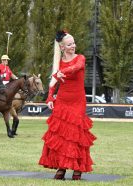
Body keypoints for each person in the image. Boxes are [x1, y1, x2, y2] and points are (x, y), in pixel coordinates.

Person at [38, 30, 96, 180]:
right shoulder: (58, 62)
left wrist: (63, 71)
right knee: (61, 135)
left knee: (76, 135)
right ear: (62, 47)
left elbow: (77, 67)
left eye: (73, 43)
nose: (73, 46)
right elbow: (53, 82)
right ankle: (61, 167)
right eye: (70, 44)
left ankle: (78, 169)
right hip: (62, 100)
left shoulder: (80, 58)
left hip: (77, 101)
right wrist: (50, 98)